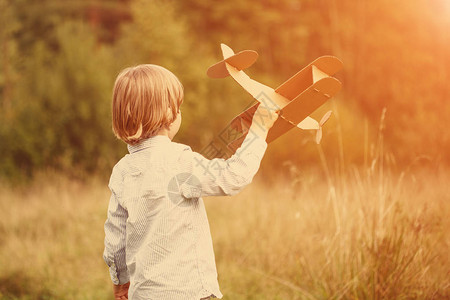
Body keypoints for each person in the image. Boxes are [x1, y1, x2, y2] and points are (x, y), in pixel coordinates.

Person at [103, 64, 278, 300]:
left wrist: (120, 283)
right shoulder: (180, 161)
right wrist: (259, 128)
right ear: (167, 113)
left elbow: (116, 239)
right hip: (191, 293)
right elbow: (234, 176)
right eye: (178, 106)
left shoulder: (122, 172)